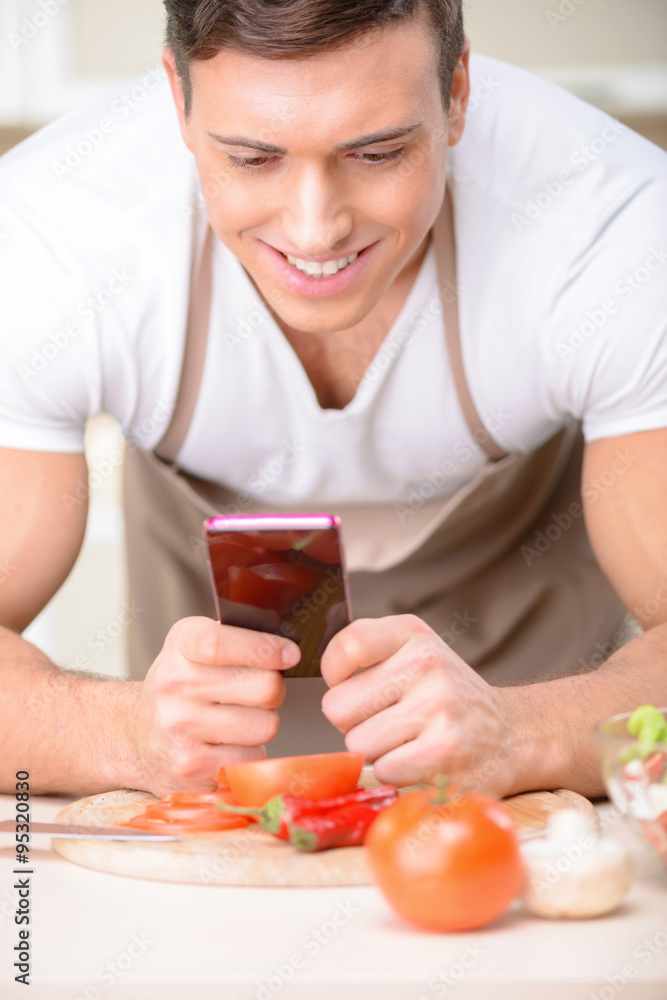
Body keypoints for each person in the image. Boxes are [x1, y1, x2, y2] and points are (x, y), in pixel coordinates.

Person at [0, 0, 665, 800]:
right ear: (177, 97)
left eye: (377, 153)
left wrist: (521, 735)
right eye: (252, 158)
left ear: (457, 91)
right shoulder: (49, 237)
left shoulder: (615, 231)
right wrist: (119, 734)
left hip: (528, 692)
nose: (316, 231)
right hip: (210, 723)